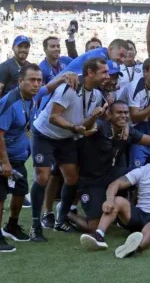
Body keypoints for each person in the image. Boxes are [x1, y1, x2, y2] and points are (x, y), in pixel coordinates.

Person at [30, 58, 109, 242]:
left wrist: (92, 120)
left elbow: (83, 123)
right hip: (44, 134)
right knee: (43, 177)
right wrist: (75, 128)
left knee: (72, 178)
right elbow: (53, 117)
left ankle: (61, 219)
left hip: (65, 138)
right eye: (103, 72)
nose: (107, 76)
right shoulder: (69, 88)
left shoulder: (97, 94)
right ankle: (36, 225)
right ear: (90, 72)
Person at [70, 101, 150, 232]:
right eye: (119, 112)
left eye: (126, 113)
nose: (123, 115)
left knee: (138, 175)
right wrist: (93, 117)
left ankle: (132, 212)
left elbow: (149, 140)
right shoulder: (100, 126)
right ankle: (67, 215)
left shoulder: (128, 130)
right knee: (93, 226)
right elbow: (85, 128)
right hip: (91, 181)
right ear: (109, 114)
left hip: (111, 174)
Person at [0, 64, 72, 251]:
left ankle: (12, 226)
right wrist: (5, 162)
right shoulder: (10, 102)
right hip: (4, 158)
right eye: (32, 80)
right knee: (0, 196)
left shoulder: (33, 95)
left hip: (18, 158)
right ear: (20, 81)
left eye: (39, 80)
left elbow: (48, 88)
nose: (36, 84)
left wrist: (64, 78)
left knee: (19, 191)